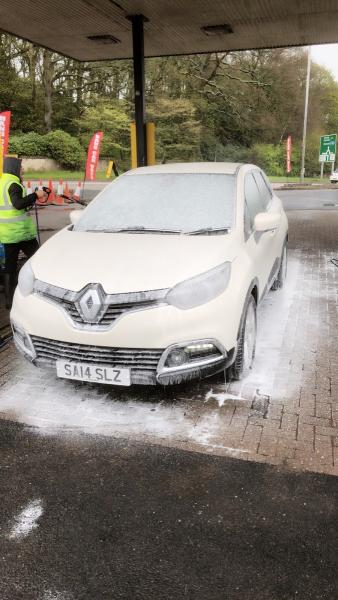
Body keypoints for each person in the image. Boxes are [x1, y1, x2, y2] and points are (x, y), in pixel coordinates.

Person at [0, 157, 47, 309]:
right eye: (20, 168)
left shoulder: (2, 183)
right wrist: (36, 196)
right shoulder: (14, 184)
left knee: (10, 266)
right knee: (39, 260)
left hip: (7, 234)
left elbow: (13, 207)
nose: (22, 171)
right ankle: (44, 293)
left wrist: (30, 200)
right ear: (14, 168)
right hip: (21, 233)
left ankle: (8, 302)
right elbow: (18, 204)